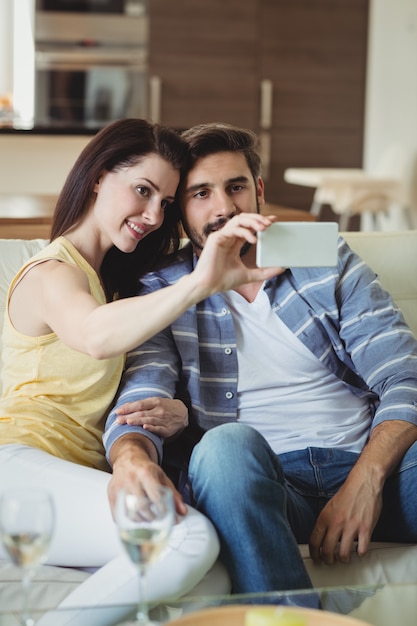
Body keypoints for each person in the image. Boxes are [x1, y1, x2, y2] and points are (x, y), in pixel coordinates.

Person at [104, 122, 417, 596]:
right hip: (260, 483)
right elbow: (143, 393)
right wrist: (130, 456)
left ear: (259, 190)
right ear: (178, 208)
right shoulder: (165, 287)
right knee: (224, 448)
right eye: (200, 193)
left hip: (375, 469)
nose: (224, 208)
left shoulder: (322, 255)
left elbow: (403, 374)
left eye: (235, 188)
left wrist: (365, 482)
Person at [0, 118, 283, 622]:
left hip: (74, 478)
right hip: (17, 467)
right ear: (97, 177)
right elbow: (92, 335)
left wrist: (178, 412)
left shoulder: (113, 283)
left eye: (166, 202)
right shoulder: (53, 272)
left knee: (214, 578)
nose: (153, 215)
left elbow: (134, 375)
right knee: (182, 537)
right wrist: (201, 282)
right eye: (142, 190)